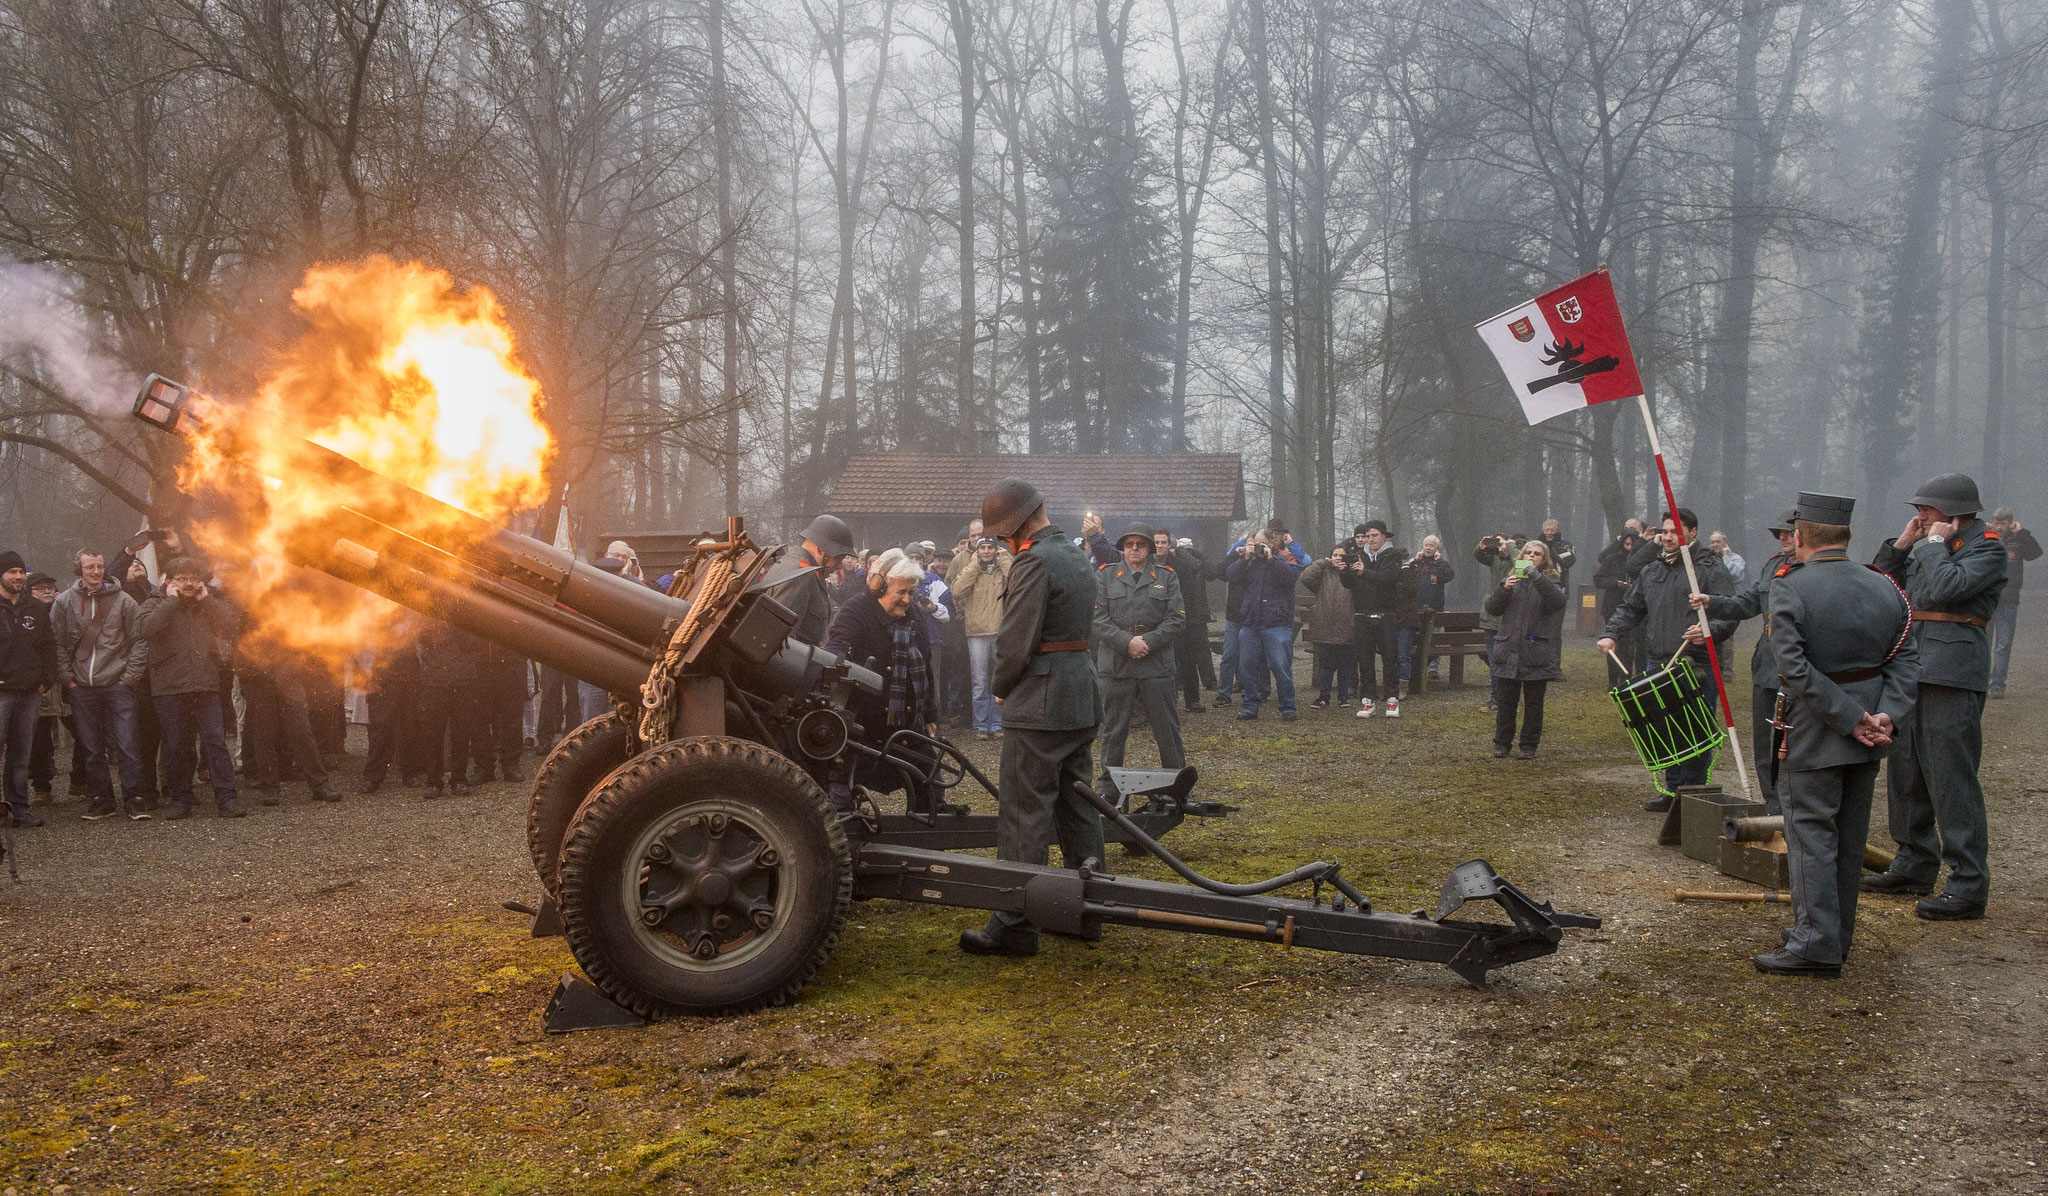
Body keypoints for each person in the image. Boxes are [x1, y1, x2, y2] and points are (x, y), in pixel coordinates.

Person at [1751, 493, 1918, 978]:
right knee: (1848, 838)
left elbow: (1794, 669)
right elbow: (1905, 658)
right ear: (1845, 537)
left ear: (1799, 537)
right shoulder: (1885, 585)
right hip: (1871, 733)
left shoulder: (1790, 587)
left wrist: (1848, 718)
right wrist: (1885, 714)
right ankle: (1832, 934)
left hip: (1817, 729)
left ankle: (1814, 943)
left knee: (1811, 835)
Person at [960, 479, 1104, 958]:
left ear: (1020, 524)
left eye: (1004, 534)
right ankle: (1089, 913)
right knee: (1077, 807)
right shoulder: (1076, 555)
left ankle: (1014, 923)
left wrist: (1002, 687)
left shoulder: (1034, 561)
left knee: (1024, 814)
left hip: (1039, 704)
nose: (1003, 543)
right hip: (1078, 697)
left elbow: (1015, 640)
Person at [1861, 473, 2007, 920]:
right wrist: (1904, 544)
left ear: (1955, 511)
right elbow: (1878, 585)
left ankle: (1967, 883)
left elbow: (1948, 589)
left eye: (1926, 509)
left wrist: (1930, 547)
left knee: (1950, 778)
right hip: (1911, 669)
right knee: (1905, 771)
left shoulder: (1989, 548)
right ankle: (1913, 863)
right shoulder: (1927, 544)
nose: (1919, 515)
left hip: (1953, 673)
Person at [1596, 508, 1736, 811]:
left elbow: (1731, 611)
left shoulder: (1711, 567)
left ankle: (1693, 796)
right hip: (1657, 661)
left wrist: (1710, 631)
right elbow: (1630, 608)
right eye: (1665, 531)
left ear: (1693, 532)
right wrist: (1611, 634)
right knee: (1664, 728)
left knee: (1695, 728)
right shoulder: (1653, 569)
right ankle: (1673, 792)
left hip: (1696, 663)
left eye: (1674, 531)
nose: (1667, 537)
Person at [1696, 509, 1798, 814]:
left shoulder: (1815, 570)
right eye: (1779, 533)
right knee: (1765, 746)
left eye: (1789, 532)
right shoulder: (1773, 566)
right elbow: (1747, 603)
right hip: (1767, 668)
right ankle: (1772, 805)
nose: (1782, 538)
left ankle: (1794, 808)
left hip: (1800, 672)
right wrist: (1712, 602)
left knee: (1793, 745)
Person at [824, 549, 941, 811]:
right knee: (840, 798)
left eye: (911, 593)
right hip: (863, 725)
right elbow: (835, 650)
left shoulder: (914, 615)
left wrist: (931, 711)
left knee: (932, 790)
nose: (907, 599)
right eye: (901, 592)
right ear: (879, 587)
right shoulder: (855, 610)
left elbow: (925, 661)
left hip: (908, 725)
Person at [137, 557, 243, 820]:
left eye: (193, 578)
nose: (188, 583)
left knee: (215, 742)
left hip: (205, 684)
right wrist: (171, 602)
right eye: (182, 578)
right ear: (169, 581)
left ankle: (227, 799)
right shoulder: (154, 602)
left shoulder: (208, 602)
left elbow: (233, 624)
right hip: (169, 687)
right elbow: (145, 629)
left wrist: (206, 599)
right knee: (176, 746)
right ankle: (180, 799)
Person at [52, 549, 148, 820]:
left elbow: (139, 640)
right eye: (89, 567)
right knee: (91, 748)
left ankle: (134, 797)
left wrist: (129, 677)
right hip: (82, 685)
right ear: (79, 570)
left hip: (118, 683)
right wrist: (67, 678)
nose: (95, 572)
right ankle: (102, 799)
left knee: (127, 743)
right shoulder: (65, 602)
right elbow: (57, 641)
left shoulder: (124, 600)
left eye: (99, 566)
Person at [1093, 523, 1186, 797]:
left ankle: (1177, 785)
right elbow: (1097, 619)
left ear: (1149, 548)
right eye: (1129, 544)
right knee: (1113, 729)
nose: (1134, 549)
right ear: (1122, 548)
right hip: (1117, 664)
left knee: (1167, 727)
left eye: (1140, 544)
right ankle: (1108, 788)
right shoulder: (1105, 576)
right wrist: (1126, 642)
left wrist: (1147, 642)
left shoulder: (1167, 577)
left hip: (1155, 664)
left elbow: (1177, 618)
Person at [1485, 540, 1566, 758]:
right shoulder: (1510, 581)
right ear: (1520, 556)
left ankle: (1528, 746)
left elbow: (1558, 602)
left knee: (1534, 704)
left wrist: (1538, 578)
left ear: (1544, 559)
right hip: (1509, 649)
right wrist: (1504, 589)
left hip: (1535, 650)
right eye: (1527, 553)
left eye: (1537, 554)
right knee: (1506, 702)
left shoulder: (1551, 582)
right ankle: (1501, 743)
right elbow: (1492, 609)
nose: (1531, 556)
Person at [1, 552, 58, 828]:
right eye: (12, 571)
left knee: (21, 755)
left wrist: (47, 679)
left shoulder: (33, 608)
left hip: (29, 693)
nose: (18, 577)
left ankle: (19, 810)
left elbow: (48, 646)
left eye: (21, 572)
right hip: (2, 692)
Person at [1225, 529, 1304, 722]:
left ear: (1272, 542)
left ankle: (1288, 706)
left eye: (1262, 543)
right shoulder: (1249, 562)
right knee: (1247, 667)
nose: (1258, 547)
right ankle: (1250, 706)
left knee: (1280, 666)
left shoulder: (1285, 557)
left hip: (1277, 622)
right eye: (1255, 544)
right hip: (1251, 622)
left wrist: (1271, 559)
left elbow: (1290, 578)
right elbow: (1230, 576)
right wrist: (1244, 558)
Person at [947, 536, 1010, 738]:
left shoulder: (1003, 569)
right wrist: (974, 566)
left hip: (1000, 631)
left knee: (998, 680)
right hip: (977, 633)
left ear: (996, 550)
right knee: (980, 681)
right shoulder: (973, 570)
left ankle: (997, 724)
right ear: (977, 551)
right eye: (982, 548)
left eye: (990, 548)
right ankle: (981, 726)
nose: (986, 551)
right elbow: (956, 590)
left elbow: (1018, 581)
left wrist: (1005, 558)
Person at [415, 618, 484, 796]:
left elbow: (475, 643)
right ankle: (434, 781)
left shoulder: (465, 614)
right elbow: (420, 640)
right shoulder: (426, 613)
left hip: (463, 681)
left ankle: (459, 779)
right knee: (433, 734)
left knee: (461, 732)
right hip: (435, 681)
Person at [1342, 521, 1403, 718]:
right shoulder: (1359, 556)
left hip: (1386, 615)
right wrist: (1345, 571)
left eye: (1374, 535)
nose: (1370, 540)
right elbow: (1350, 583)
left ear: (1384, 536)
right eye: (1368, 536)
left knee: (1390, 658)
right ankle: (1367, 700)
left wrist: (1364, 572)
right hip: (1362, 614)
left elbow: (1388, 579)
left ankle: (1392, 699)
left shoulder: (1393, 555)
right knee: (1364, 659)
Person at [773, 514, 857, 646]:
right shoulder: (800, 575)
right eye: (838, 558)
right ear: (820, 549)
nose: (840, 566)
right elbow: (780, 641)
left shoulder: (804, 569)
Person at [1155, 532, 1213, 712]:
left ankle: (1192, 699)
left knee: (1186, 660)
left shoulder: (1181, 566)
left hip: (1178, 618)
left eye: (1164, 542)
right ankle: (1161, 701)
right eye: (1156, 542)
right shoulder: (1146, 565)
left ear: (1170, 545)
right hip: (1154, 619)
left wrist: (1182, 617)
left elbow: (1188, 592)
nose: (1160, 546)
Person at [1986, 508, 2038, 697]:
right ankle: (1980, 682)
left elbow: (2035, 553)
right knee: (1984, 643)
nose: (2000, 527)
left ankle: (1998, 684)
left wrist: (2022, 533)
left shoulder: (2018, 540)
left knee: (2003, 644)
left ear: (2011, 523)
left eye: (2004, 523)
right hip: (1987, 600)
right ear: (1992, 522)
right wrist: (1981, 531)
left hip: (2009, 600)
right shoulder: (1986, 538)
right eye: (1997, 523)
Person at [1298, 543, 1356, 709]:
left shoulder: (1351, 575)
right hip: (1325, 626)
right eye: (1335, 555)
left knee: (1345, 665)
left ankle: (1343, 696)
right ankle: (1323, 697)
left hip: (1346, 625)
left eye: (1342, 555)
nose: (1338, 558)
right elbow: (1305, 578)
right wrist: (1321, 563)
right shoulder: (1322, 575)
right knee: (1326, 666)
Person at [1473, 532, 1524, 711]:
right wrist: (1482, 546)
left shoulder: (1516, 560)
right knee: (1494, 661)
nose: (1501, 548)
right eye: (1498, 544)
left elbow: (1523, 567)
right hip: (1491, 618)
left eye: (1503, 545)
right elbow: (1478, 556)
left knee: (1510, 661)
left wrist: (1511, 546)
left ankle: (1510, 700)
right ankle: (1495, 699)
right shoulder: (1494, 560)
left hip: (1511, 617)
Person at [1593, 527, 1646, 686]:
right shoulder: (1612, 559)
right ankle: (1612, 680)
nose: (1629, 547)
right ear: (1622, 543)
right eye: (1627, 543)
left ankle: (1625, 679)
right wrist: (1615, 583)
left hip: (1634, 608)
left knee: (1630, 645)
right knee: (1613, 643)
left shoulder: (1642, 561)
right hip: (1613, 606)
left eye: (1632, 544)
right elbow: (1598, 580)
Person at [1401, 536, 1454, 686]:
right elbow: (1404, 572)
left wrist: (1439, 562)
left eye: (1431, 545)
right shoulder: (1416, 563)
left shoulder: (1440, 564)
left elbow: (1448, 576)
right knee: (1413, 640)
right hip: (1415, 608)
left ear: (1437, 548)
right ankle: (1414, 668)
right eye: (1426, 545)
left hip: (1435, 608)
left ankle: (1433, 667)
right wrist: (1415, 560)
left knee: (1434, 639)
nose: (1428, 548)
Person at [1538, 520, 1578, 590]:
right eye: (1547, 530)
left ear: (1557, 531)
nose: (1549, 533)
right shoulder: (1535, 546)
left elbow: (1569, 562)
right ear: (1543, 531)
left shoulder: (1566, 546)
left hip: (1559, 582)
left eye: (1552, 530)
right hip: (1538, 580)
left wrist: (1553, 551)